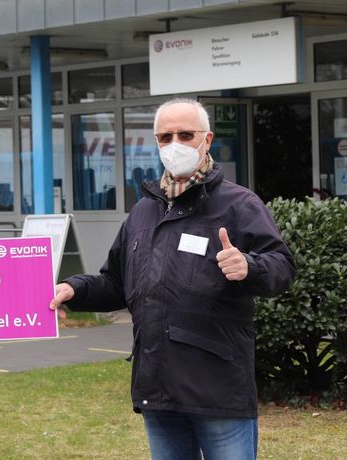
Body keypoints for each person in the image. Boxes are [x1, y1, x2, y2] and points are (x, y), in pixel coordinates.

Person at [49, 98, 294, 459]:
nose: (174, 144)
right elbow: (116, 283)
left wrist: (250, 266)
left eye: (185, 134)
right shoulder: (143, 211)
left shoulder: (239, 204)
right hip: (158, 389)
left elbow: (283, 266)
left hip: (218, 390)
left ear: (207, 139)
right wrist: (74, 289)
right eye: (165, 137)